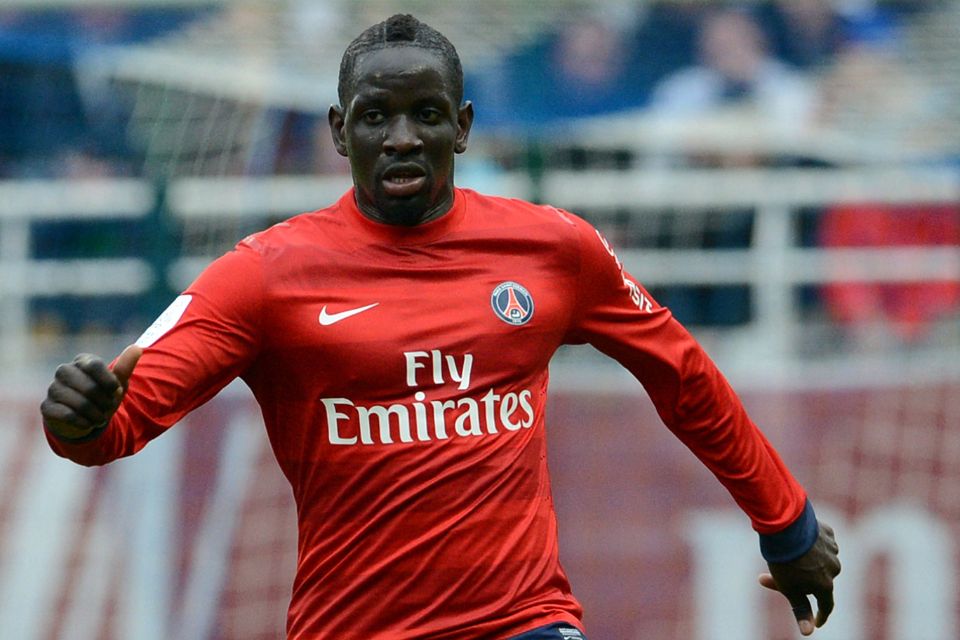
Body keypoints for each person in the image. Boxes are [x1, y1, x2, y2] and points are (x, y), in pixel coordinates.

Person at [40, 14, 840, 640]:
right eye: (375, 117)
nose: (401, 138)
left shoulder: (554, 249)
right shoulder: (263, 275)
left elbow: (683, 378)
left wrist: (788, 524)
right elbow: (114, 423)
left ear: (461, 125)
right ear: (338, 130)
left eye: (425, 114)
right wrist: (78, 417)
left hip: (525, 622)